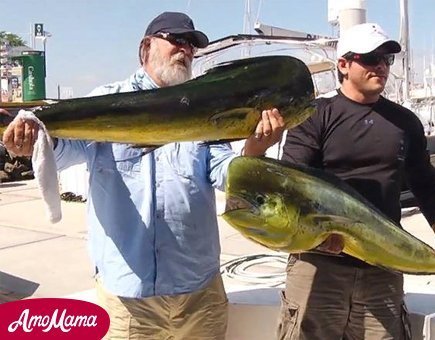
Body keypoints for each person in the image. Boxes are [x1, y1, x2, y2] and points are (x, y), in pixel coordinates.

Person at [2, 12, 286, 339]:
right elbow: (62, 151)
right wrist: (30, 145)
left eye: (192, 45)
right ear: (146, 47)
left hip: (199, 292)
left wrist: (255, 149)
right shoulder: (108, 100)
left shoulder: (207, 108)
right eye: (177, 40)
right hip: (128, 298)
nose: (186, 50)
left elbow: (224, 172)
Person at [277, 23, 435, 340]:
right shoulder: (314, 115)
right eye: (370, 58)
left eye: (386, 58)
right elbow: (290, 185)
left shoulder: (405, 122)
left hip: (382, 268)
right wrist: (316, 238)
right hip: (320, 264)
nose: (380, 65)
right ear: (343, 64)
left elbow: (426, 188)